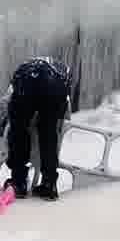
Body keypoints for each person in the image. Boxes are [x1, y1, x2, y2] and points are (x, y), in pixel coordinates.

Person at [1, 57, 72, 200]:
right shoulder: (62, 72)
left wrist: (8, 123)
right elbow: (64, 111)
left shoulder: (23, 71)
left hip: (27, 82)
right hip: (54, 87)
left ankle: (18, 182)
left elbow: (9, 104)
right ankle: (49, 184)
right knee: (49, 132)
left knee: (19, 131)